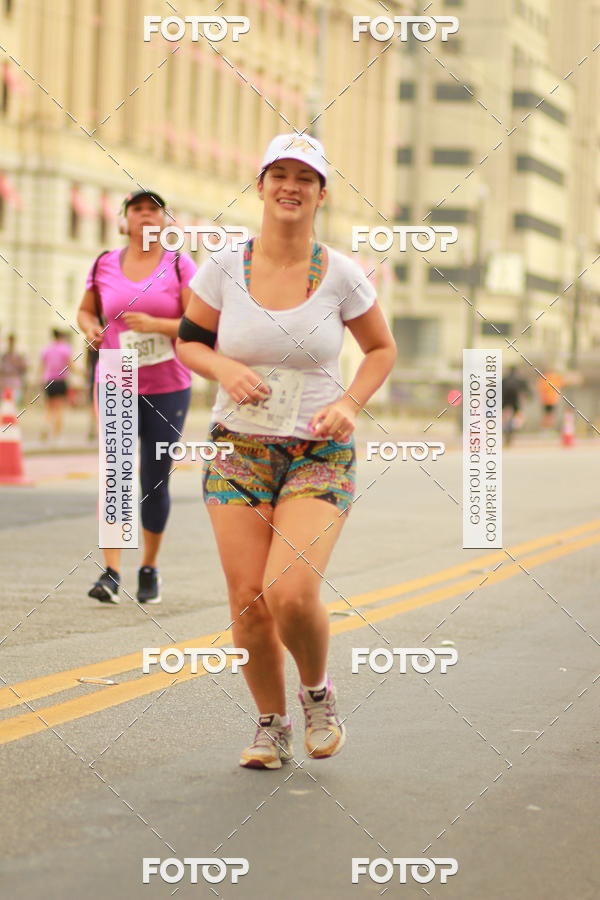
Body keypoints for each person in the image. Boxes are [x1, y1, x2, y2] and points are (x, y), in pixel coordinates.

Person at [177, 134, 397, 769]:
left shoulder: (341, 273)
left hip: (316, 453)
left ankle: (317, 693)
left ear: (322, 194)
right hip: (237, 449)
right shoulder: (222, 266)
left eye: (306, 177)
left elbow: (381, 349)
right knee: (248, 598)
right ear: (261, 184)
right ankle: (270, 726)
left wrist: (349, 403)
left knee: (290, 592)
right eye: (280, 174)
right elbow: (190, 340)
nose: (291, 187)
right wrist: (222, 368)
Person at [77, 189, 196, 605]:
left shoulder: (180, 265)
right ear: (124, 220)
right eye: (137, 210)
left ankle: (150, 567)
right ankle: (111, 571)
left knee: (154, 476)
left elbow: (198, 325)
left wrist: (158, 324)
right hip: (116, 378)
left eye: (153, 210)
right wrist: (90, 328)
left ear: (165, 221)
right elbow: (86, 310)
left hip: (168, 384)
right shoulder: (103, 263)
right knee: (115, 475)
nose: (145, 216)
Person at [40, 329, 72, 441]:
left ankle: (45, 426)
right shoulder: (65, 348)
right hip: (60, 380)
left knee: (49, 407)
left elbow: (42, 366)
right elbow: (71, 364)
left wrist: (40, 379)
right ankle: (56, 435)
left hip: (49, 380)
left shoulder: (46, 349)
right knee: (59, 409)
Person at [501, 365, 529, 445]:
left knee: (505, 416)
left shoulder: (504, 379)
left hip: (505, 400)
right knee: (517, 414)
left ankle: (505, 427)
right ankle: (514, 426)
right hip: (515, 400)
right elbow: (526, 390)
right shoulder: (519, 380)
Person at [0, 334, 27, 405]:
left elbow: (24, 368)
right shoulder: (4, 354)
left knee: (14, 402)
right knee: (6, 403)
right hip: (6, 381)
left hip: (15, 381)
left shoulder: (19, 354)